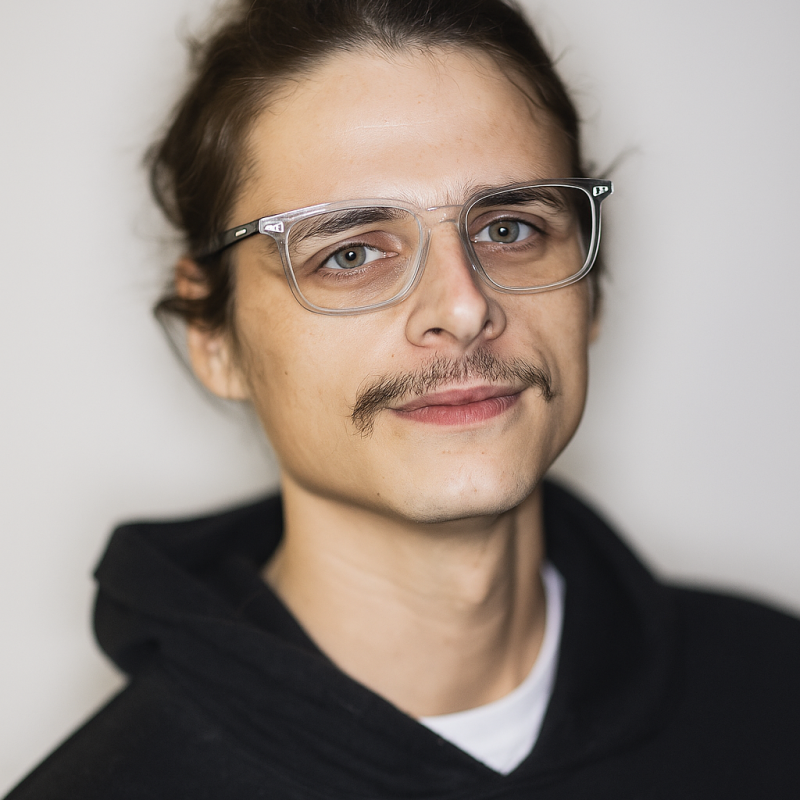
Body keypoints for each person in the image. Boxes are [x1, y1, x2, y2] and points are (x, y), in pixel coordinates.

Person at [6, 0, 799, 797]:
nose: (463, 308)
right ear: (215, 340)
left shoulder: (772, 692)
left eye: (511, 230)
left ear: (588, 288)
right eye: (350, 252)